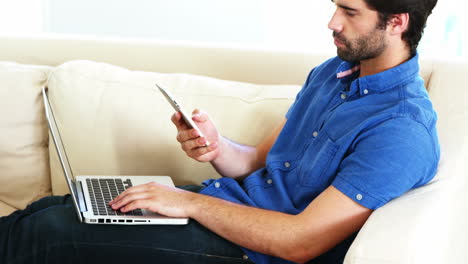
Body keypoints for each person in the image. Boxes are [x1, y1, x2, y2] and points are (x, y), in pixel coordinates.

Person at [0, 0, 439, 263]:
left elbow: (300, 242)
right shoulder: (333, 74)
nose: (332, 22)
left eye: (349, 11)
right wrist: (215, 146)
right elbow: (257, 162)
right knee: (49, 210)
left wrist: (185, 202)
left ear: (396, 22)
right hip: (221, 210)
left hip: (250, 253)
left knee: (47, 235)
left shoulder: (401, 130)